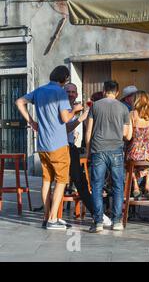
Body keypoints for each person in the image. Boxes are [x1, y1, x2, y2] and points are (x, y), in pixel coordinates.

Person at [16, 65, 83, 230]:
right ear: (65, 78)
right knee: (61, 181)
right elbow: (65, 118)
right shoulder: (60, 92)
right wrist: (75, 109)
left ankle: (47, 217)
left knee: (46, 180)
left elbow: (19, 102)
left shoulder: (39, 91)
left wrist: (31, 121)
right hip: (58, 144)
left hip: (43, 144)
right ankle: (53, 218)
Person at [85, 80, 130, 233]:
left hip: (98, 150)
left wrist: (88, 151)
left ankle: (98, 222)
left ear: (104, 90)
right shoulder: (124, 108)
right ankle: (117, 221)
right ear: (117, 92)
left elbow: (88, 132)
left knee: (97, 186)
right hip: (116, 149)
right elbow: (126, 134)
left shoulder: (95, 106)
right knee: (118, 186)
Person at [64, 83, 112, 226]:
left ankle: (98, 214)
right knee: (79, 182)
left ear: (77, 94)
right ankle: (98, 215)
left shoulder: (72, 109)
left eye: (73, 92)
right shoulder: (65, 108)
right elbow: (65, 128)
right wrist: (80, 118)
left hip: (71, 147)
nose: (71, 94)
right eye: (68, 91)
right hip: (63, 149)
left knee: (81, 182)